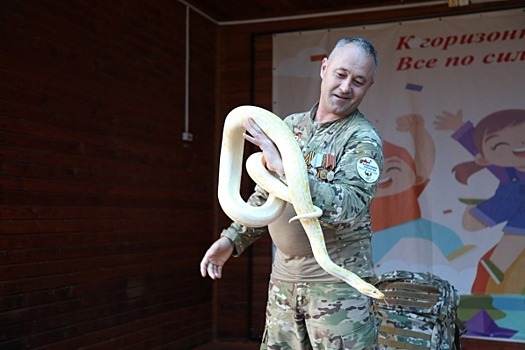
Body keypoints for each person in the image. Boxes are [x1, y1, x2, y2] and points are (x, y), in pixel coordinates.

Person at [200, 37, 383, 350]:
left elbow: (349, 206)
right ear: (324, 69)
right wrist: (232, 239)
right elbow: (264, 197)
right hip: (284, 282)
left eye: (358, 81)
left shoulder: (362, 139)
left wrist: (285, 167)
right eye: (340, 74)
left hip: (337, 291)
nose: (345, 87)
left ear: (368, 86)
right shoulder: (289, 127)